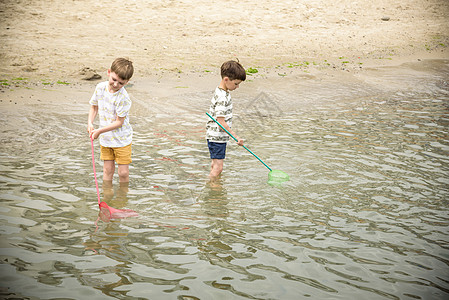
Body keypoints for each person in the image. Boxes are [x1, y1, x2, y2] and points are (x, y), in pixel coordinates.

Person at [87, 58, 134, 183]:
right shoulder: (100, 88)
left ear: (127, 82)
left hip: (121, 139)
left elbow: (119, 122)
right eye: (114, 80)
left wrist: (99, 131)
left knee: (123, 173)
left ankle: (123, 197)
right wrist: (90, 123)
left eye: (121, 83)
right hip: (106, 138)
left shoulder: (123, 98)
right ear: (109, 72)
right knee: (108, 170)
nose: (116, 85)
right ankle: (107, 195)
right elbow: (94, 106)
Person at [206, 60, 246, 178]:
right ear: (226, 79)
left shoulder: (221, 91)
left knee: (215, 165)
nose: (237, 87)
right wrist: (236, 137)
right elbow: (221, 123)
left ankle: (214, 186)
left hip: (215, 136)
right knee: (218, 167)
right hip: (217, 137)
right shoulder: (222, 97)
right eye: (236, 83)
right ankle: (213, 189)